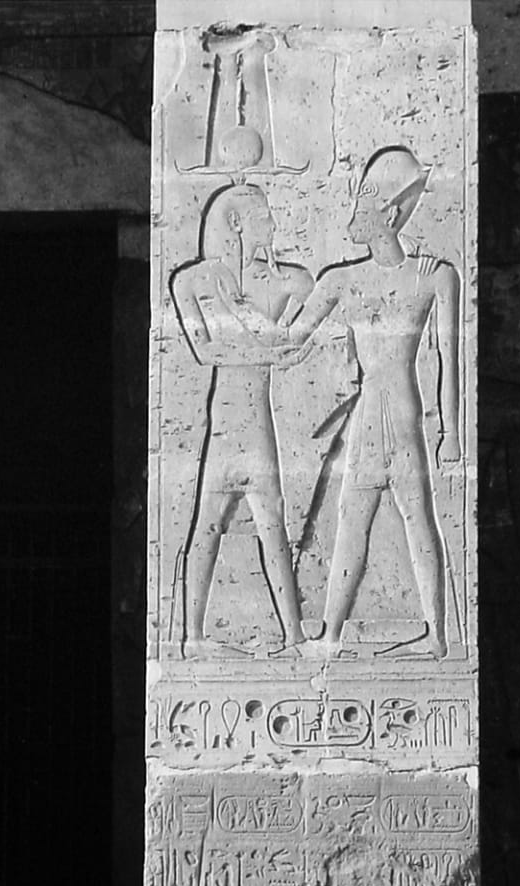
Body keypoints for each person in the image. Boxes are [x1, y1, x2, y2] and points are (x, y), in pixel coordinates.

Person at [280, 146, 461, 657]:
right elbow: (293, 339)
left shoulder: (434, 276)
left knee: (417, 516)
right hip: (369, 413)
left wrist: (450, 432)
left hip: (401, 409)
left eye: (361, 207)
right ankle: (332, 635)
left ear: (389, 213)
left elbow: (449, 356)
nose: (351, 220)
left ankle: (436, 635)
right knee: (353, 518)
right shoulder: (342, 279)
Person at [171, 183, 315, 658]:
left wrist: (245, 312)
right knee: (206, 528)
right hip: (224, 426)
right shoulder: (191, 282)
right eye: (264, 218)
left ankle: (293, 635)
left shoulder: (283, 281)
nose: (273, 226)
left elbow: (293, 326)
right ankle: (192, 636)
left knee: (274, 527)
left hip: (257, 427)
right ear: (236, 224)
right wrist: (266, 344)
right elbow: (206, 350)